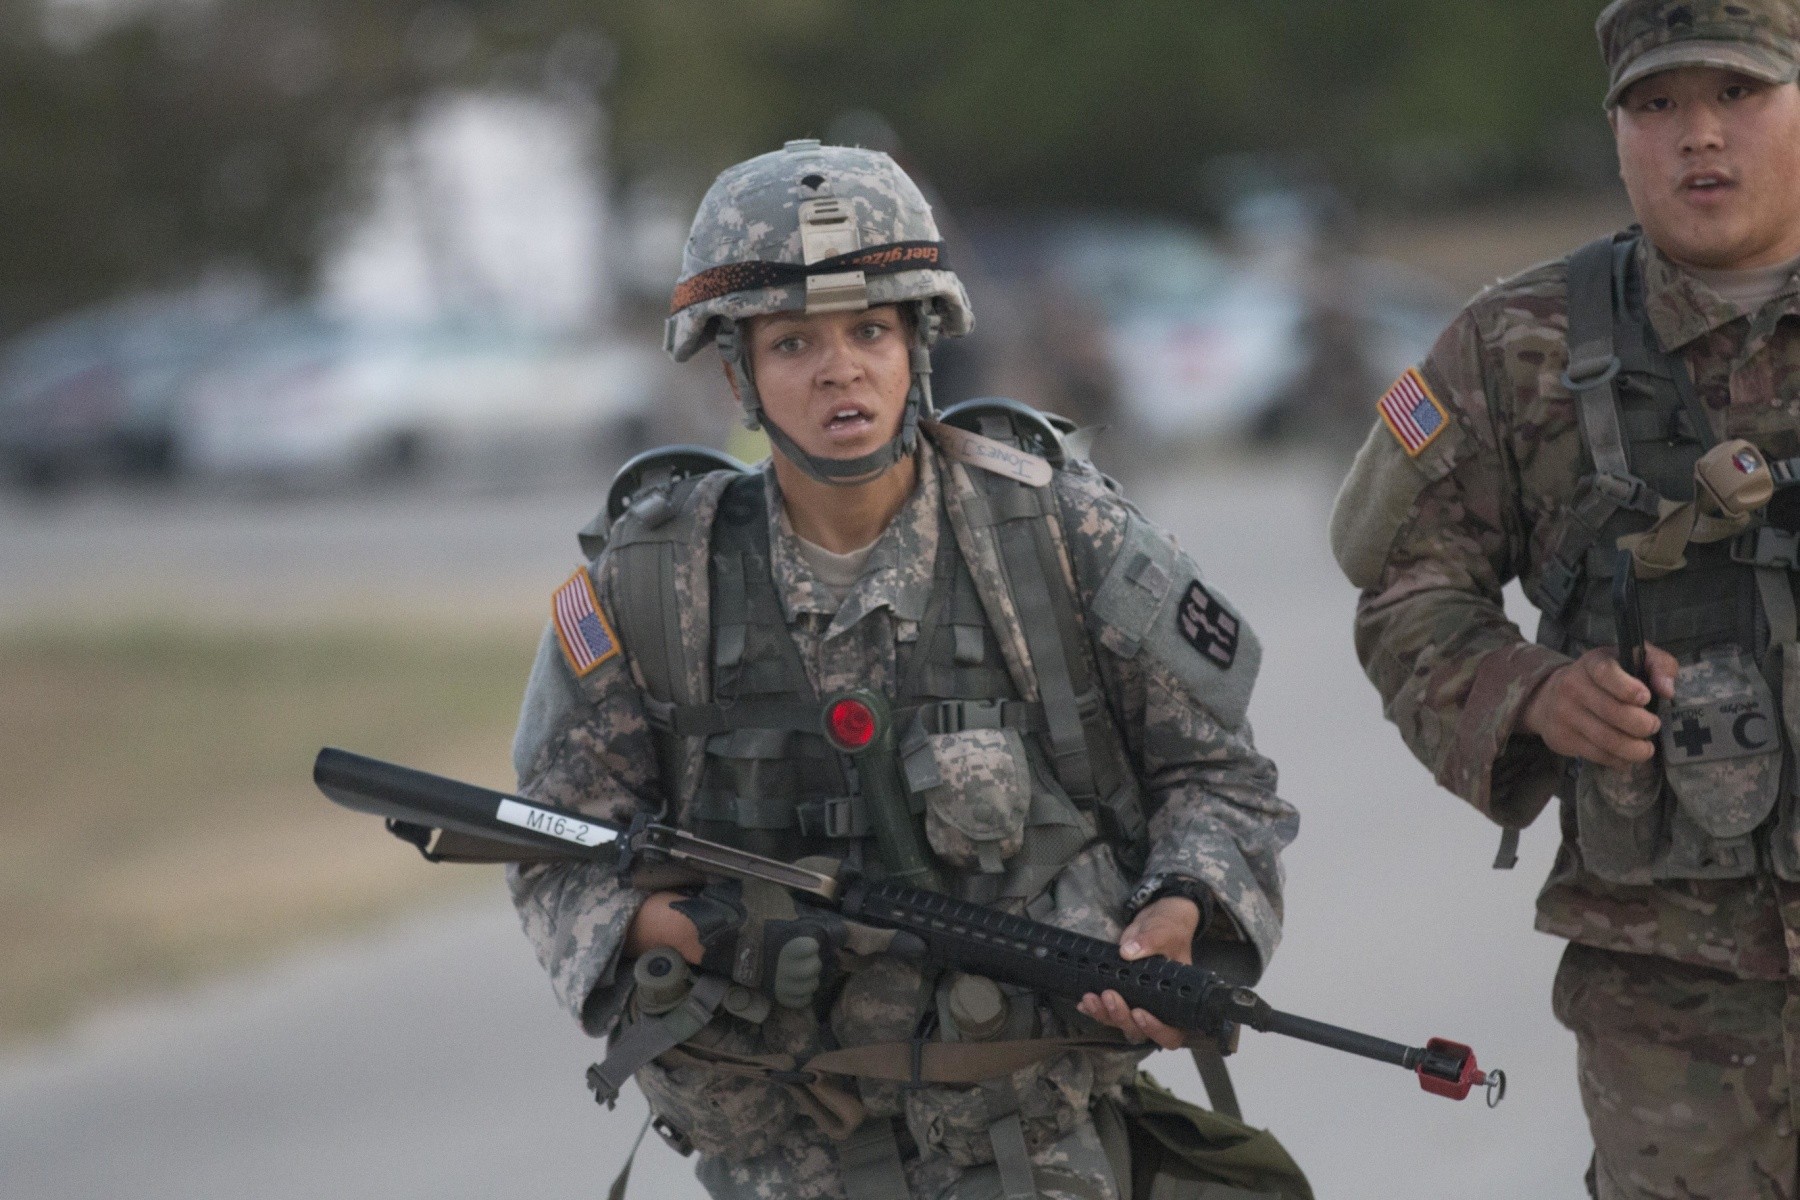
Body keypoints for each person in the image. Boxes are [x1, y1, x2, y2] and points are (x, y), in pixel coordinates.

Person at [505, 139, 1297, 1199]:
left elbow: (1220, 779)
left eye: (871, 329)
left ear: (919, 342)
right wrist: (676, 929)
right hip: (784, 1159)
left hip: (1035, 1147)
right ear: (738, 371)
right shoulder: (652, 580)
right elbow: (553, 841)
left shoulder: (1056, 533)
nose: (840, 369)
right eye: (792, 343)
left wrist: (1180, 911)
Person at [1330, 1, 1800, 1195]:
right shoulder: (1513, 345)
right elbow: (1403, 586)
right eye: (1659, 104)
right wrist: (1530, 694)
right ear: (1616, 129)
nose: (1700, 135)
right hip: (1675, 997)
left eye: (1738, 95)